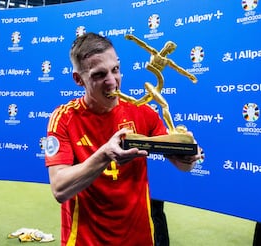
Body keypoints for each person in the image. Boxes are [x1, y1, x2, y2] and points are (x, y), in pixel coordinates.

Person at [45, 33, 202, 246]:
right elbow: (60, 189)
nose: (112, 82)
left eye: (115, 70)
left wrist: (187, 152)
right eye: (99, 75)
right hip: (85, 240)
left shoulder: (144, 113)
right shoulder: (64, 117)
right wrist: (105, 154)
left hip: (139, 238)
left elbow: (182, 166)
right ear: (78, 79)